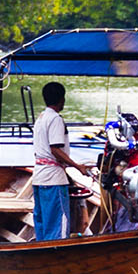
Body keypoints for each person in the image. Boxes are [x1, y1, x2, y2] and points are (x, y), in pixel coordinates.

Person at [31, 81, 93, 242]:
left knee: (43, 223)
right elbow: (55, 149)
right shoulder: (55, 119)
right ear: (62, 99)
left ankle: (42, 253)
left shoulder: (41, 118)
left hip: (39, 177)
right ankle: (55, 255)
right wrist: (78, 167)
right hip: (53, 179)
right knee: (58, 225)